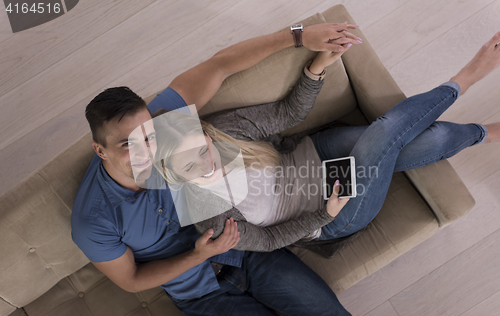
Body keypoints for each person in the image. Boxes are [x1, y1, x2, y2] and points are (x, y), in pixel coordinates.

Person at [71, 22, 365, 316]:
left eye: (148, 136)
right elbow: (131, 280)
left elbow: (220, 65)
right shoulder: (93, 220)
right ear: (100, 150)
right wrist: (199, 255)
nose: (145, 151)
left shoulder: (165, 125)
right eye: (126, 145)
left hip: (247, 252)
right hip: (202, 295)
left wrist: (299, 35)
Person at [151, 32, 500, 257]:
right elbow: (270, 241)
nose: (205, 164)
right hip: (332, 209)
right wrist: (325, 214)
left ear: (207, 134)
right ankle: (467, 77)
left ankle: (485, 132)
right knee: (381, 136)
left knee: (423, 138)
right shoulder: (209, 216)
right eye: (188, 167)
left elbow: (287, 112)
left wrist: (315, 70)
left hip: (318, 155)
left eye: (202, 149)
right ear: (174, 176)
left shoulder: (225, 129)